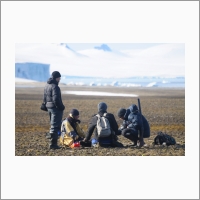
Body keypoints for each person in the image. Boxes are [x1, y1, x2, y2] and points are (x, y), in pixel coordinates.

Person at [44, 71, 65, 149]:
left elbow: (45, 97)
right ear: (56, 78)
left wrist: (46, 106)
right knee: (55, 126)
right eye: (59, 78)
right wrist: (61, 107)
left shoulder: (47, 85)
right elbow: (56, 99)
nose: (59, 79)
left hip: (49, 107)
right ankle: (53, 144)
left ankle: (52, 143)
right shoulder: (55, 87)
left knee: (53, 125)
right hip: (55, 108)